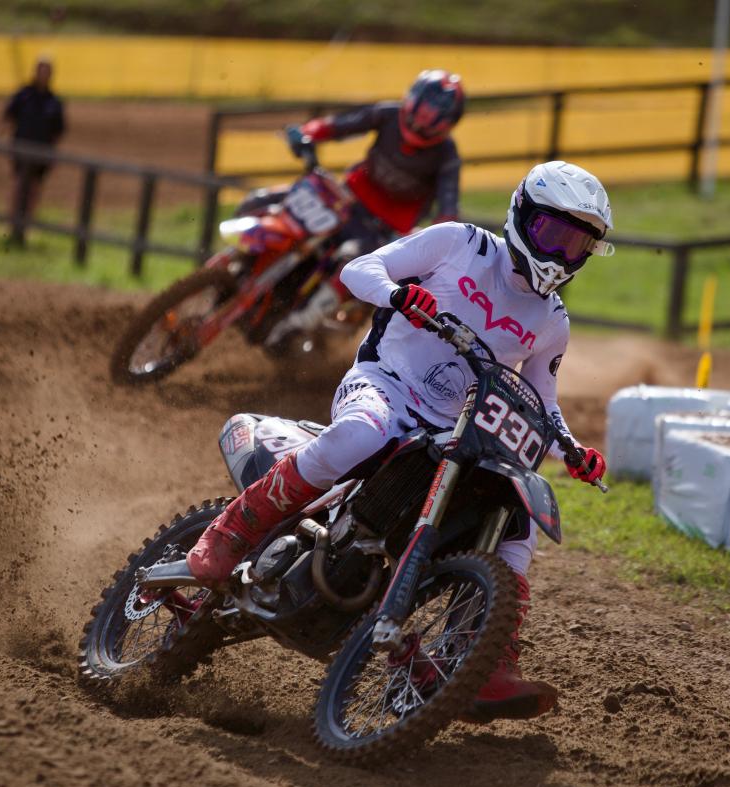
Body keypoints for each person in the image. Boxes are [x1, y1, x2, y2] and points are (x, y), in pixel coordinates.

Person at [186, 160, 612, 722]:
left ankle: (483, 658)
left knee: (520, 519)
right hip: (383, 386)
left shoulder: (551, 320)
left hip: (450, 432)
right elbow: (359, 269)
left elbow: (542, 403)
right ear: (521, 215)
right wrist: (396, 295)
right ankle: (234, 527)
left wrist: (572, 451)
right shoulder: (459, 243)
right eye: (551, 233)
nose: (560, 252)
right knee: (363, 432)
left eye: (576, 244)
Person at [262, 69, 466, 336]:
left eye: (432, 115)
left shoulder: (447, 155)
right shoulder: (388, 114)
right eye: (422, 108)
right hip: (344, 201)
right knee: (267, 202)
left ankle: (298, 325)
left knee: (351, 264)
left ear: (448, 121)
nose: (421, 120)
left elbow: (447, 213)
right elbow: (337, 125)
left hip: (383, 232)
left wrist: (433, 242)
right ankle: (240, 267)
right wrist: (306, 133)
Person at [0, 57, 66, 230]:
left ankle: (26, 224)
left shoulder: (55, 101)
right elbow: (8, 116)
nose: (44, 75)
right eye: (41, 70)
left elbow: (58, 132)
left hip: (43, 151)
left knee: (35, 188)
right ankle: (11, 223)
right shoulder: (24, 94)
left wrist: (55, 154)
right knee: (18, 184)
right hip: (21, 148)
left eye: (47, 71)